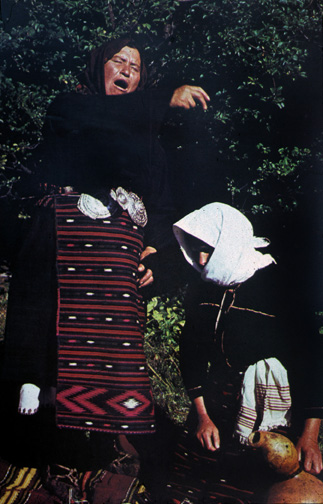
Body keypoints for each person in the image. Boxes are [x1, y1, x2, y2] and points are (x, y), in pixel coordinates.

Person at [0, 37, 210, 502]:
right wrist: (164, 98)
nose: (127, 70)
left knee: (112, 362)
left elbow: (161, 204)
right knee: (55, 360)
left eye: (135, 67)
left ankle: (99, 451)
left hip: (117, 267)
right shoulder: (71, 106)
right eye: (119, 61)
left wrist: (155, 249)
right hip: (62, 250)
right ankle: (51, 449)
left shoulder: (149, 141)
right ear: (99, 66)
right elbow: (100, 124)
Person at [166, 202, 323, 503]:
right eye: (196, 249)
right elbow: (192, 352)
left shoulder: (281, 288)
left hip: (267, 417)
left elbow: (312, 361)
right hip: (214, 407)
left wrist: (310, 436)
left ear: (229, 244)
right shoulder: (205, 289)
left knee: (246, 492)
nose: (200, 260)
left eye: (208, 250)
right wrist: (201, 416)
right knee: (184, 488)